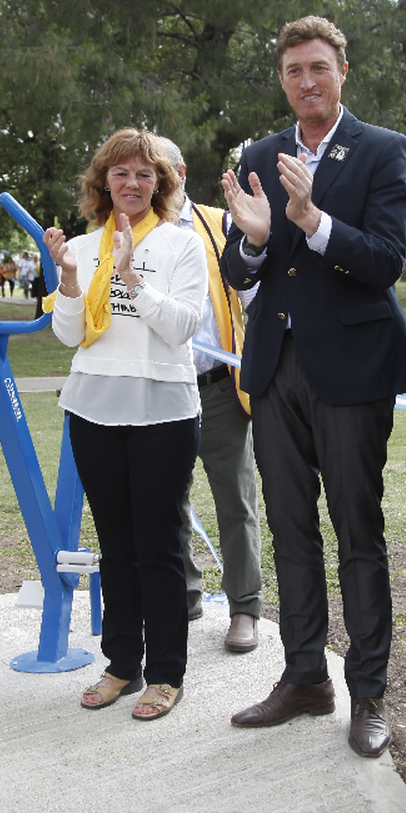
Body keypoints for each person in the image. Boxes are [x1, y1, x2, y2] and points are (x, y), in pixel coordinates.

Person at [221, 15, 406, 759]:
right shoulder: (261, 153)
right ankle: (304, 675)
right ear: (282, 78)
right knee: (289, 529)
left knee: (356, 532)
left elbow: (387, 260)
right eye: (293, 70)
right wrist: (257, 238)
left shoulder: (382, 150)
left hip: (353, 369)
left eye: (319, 67)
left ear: (343, 69)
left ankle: (367, 690)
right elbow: (243, 270)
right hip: (275, 366)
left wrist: (311, 219)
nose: (307, 80)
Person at [43, 128, 206, 722]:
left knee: (159, 545)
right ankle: (121, 664)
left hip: (163, 408)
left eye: (144, 174)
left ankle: (166, 673)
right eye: (120, 173)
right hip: (93, 407)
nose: (132, 183)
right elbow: (69, 335)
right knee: (116, 544)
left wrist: (134, 279)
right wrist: (65, 282)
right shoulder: (84, 248)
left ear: (160, 182)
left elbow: (184, 326)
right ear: (102, 182)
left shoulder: (181, 245)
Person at [154, 136, 263, 654]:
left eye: (158, 167)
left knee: (236, 500)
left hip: (220, 388)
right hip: (161, 388)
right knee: (166, 498)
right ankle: (186, 592)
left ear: (180, 169)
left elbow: (253, 292)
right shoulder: (128, 229)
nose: (149, 178)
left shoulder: (219, 222)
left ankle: (245, 606)